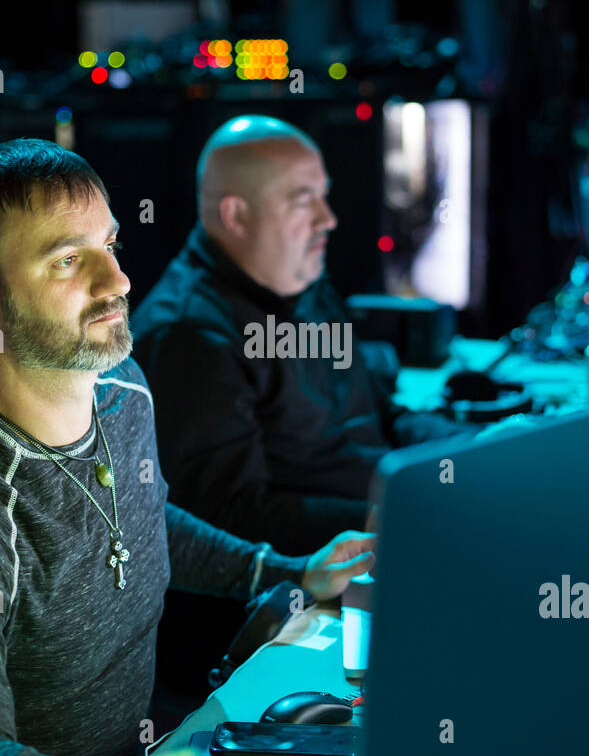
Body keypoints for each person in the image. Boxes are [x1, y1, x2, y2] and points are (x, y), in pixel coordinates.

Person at [0, 138, 375, 756]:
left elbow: (143, 517)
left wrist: (287, 570)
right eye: (68, 260)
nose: (118, 281)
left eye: (110, 245)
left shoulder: (121, 391)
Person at [131, 116, 467, 700]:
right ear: (236, 214)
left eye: (325, 196)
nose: (328, 219)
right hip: (283, 613)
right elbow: (232, 516)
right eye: (302, 200)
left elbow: (380, 416)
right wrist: (403, 510)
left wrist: (471, 450)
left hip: (370, 551)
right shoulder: (189, 336)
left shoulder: (303, 283)